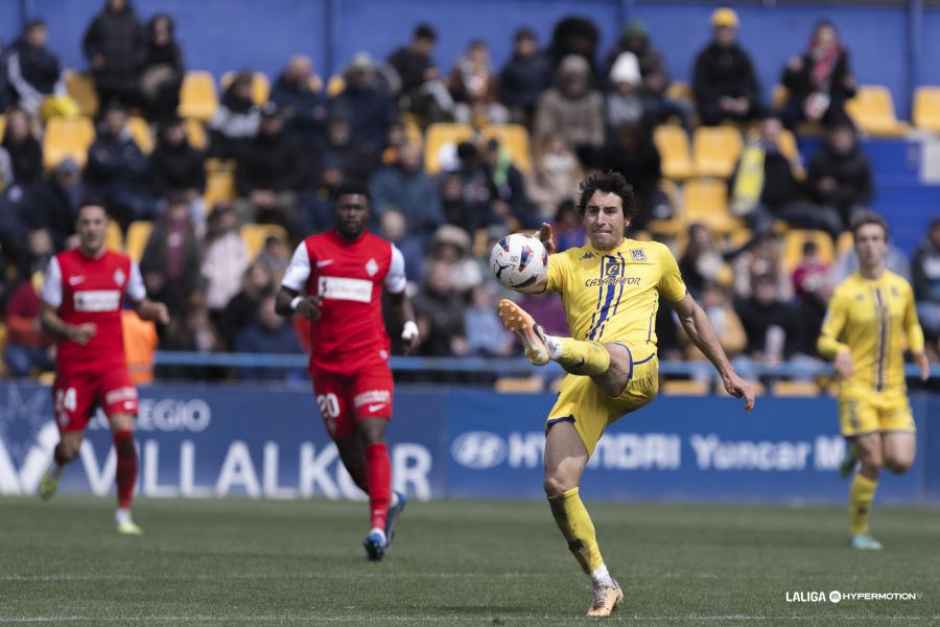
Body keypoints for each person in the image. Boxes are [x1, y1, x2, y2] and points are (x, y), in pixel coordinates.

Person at [495, 171, 755, 616]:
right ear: (583, 218)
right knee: (558, 484)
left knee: (611, 354)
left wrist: (726, 371)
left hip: (636, 369)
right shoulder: (567, 263)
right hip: (585, 378)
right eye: (593, 211)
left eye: (610, 211)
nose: (601, 219)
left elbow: (690, 315)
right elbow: (518, 278)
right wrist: (534, 254)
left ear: (627, 218)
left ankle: (548, 345)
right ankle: (603, 584)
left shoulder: (656, 256)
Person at [275, 182, 419, 561]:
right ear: (335, 211)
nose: (351, 213)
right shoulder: (312, 249)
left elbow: (400, 297)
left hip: (370, 359)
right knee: (348, 451)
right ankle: (390, 500)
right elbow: (280, 299)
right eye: (345, 207)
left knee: (372, 433)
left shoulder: (387, 254)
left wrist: (409, 326)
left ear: (367, 211)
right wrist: (299, 305)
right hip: (326, 365)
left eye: (358, 207)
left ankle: (376, 528)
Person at [37, 203, 169, 534]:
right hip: (74, 369)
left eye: (98, 222)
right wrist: (70, 331)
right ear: (78, 228)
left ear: (106, 227)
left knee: (125, 432)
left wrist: (155, 310)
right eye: (86, 223)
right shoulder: (61, 266)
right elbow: (46, 315)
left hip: (112, 366)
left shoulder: (124, 265)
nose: (92, 228)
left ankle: (123, 512)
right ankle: (57, 464)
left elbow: (140, 305)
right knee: (71, 448)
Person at [817, 211, 928, 550]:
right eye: (862, 240)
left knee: (901, 461)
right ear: (855, 245)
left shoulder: (901, 288)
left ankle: (854, 449)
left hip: (894, 390)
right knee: (874, 461)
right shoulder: (845, 292)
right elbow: (824, 338)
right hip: (858, 388)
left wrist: (920, 350)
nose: (869, 246)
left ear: (885, 244)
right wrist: (837, 351)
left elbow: (911, 324)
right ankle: (859, 530)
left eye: (875, 239)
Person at [779, 20, 856, 130]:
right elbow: (788, 84)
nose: (825, 45)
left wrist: (850, 86)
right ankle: (790, 146)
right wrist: (790, 71)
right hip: (803, 103)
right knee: (786, 116)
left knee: (842, 123)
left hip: (830, 106)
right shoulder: (804, 59)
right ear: (814, 41)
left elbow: (848, 93)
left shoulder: (840, 62)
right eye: (821, 40)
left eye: (829, 41)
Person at [692, 8, 763, 126]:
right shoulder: (704, 57)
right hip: (716, 106)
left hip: (739, 104)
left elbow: (752, 84)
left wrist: (745, 101)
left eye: (728, 29)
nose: (725, 32)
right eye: (721, 28)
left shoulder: (742, 56)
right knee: (708, 112)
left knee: (765, 111)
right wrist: (722, 101)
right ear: (714, 31)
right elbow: (700, 88)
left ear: (735, 31)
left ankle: (764, 143)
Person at [81, 0, 146, 111]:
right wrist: (94, 56)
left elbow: (143, 45)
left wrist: (134, 62)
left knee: (126, 113)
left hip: (128, 79)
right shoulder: (99, 19)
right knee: (104, 113)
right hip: (105, 78)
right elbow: (88, 43)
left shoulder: (134, 20)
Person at [807, 123, 873, 227]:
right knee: (828, 219)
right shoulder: (820, 159)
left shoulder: (861, 161)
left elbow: (868, 191)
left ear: (851, 139)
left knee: (861, 218)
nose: (840, 141)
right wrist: (819, 187)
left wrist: (851, 197)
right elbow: (808, 186)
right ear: (831, 138)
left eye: (844, 137)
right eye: (837, 137)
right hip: (827, 204)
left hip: (853, 204)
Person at [5, 19, 66, 119]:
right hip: (27, 100)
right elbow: (16, 80)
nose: (38, 35)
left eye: (42, 32)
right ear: (28, 34)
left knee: (68, 111)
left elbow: (60, 79)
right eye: (35, 32)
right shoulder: (16, 54)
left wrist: (57, 96)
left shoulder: (51, 56)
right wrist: (38, 98)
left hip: (51, 98)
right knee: (29, 113)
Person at [499, 28, 552, 125]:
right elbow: (504, 91)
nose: (524, 46)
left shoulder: (545, 64)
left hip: (540, 105)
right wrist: (517, 101)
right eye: (521, 42)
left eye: (527, 42)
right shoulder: (510, 66)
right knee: (515, 117)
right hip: (518, 106)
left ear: (534, 44)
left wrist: (540, 100)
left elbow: (551, 86)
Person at [139, 14, 184, 124]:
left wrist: (163, 74)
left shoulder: (174, 49)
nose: (160, 33)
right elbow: (139, 69)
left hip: (170, 99)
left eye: (164, 30)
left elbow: (179, 73)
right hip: (148, 99)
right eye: (157, 30)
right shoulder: (145, 48)